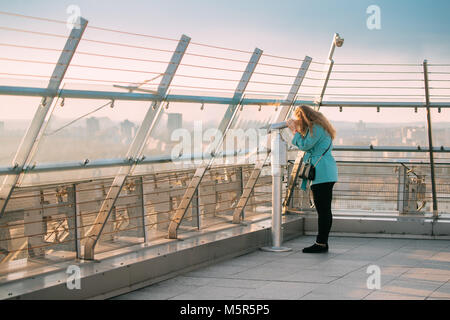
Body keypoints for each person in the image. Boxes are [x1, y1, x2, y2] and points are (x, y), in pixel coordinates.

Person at [286, 105, 338, 253]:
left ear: (303, 116)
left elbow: (305, 145)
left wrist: (294, 131)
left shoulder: (316, 128)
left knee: (323, 210)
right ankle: (322, 242)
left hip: (322, 172)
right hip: (326, 171)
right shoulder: (321, 127)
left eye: (298, 118)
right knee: (324, 209)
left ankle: (320, 243)